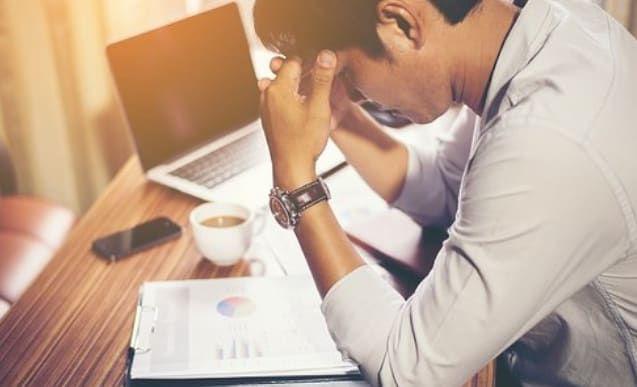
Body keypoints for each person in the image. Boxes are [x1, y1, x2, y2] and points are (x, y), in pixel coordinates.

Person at [253, 0, 637, 385]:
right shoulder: (540, 33)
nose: (356, 95)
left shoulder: (548, 138)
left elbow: (407, 369)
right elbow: (444, 189)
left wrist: (295, 177)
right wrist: (338, 114)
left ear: (402, 23)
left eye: (350, 75)